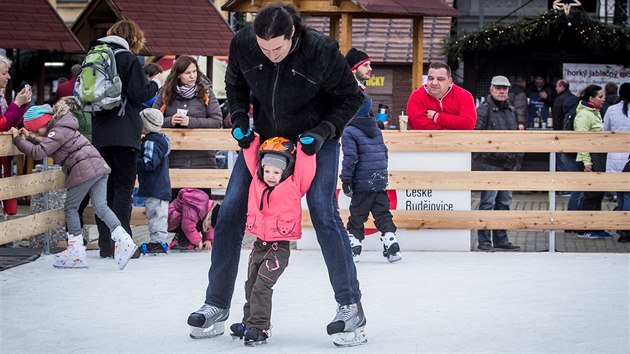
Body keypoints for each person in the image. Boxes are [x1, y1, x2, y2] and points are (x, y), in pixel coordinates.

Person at [186, 3, 366, 347]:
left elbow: (351, 97)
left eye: (278, 49)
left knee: (323, 210)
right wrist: (239, 120)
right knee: (232, 208)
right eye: (264, 49)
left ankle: (349, 305)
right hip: (268, 142)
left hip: (316, 140)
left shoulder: (321, 51)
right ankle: (216, 303)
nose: (271, 56)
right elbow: (235, 82)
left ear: (292, 34)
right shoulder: (243, 44)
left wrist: (326, 130)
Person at [10, 98, 137, 269]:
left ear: (44, 122)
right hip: (99, 166)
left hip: (84, 170)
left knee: (71, 208)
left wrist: (18, 140)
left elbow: (39, 152)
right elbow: (47, 144)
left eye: (37, 129)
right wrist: (31, 138)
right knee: (101, 207)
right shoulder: (62, 127)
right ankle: (124, 239)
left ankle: (76, 251)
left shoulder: (56, 132)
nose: (38, 133)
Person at [228, 135, 316, 346]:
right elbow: (251, 157)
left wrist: (306, 147)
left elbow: (306, 166)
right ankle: (248, 322)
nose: (270, 176)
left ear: (285, 171)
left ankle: (260, 327)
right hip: (259, 245)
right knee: (250, 285)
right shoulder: (257, 181)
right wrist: (250, 139)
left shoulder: (295, 184)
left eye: (276, 172)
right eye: (267, 171)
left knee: (262, 287)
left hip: (278, 249)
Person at [90, 20, 164, 259]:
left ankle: (105, 245)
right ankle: (123, 244)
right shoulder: (129, 59)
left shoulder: (98, 57)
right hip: (124, 135)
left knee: (105, 191)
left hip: (100, 135)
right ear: (134, 39)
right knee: (123, 190)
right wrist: (155, 84)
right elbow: (139, 94)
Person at [342, 48, 401, 263]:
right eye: (366, 65)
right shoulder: (350, 93)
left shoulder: (353, 124)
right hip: (378, 176)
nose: (370, 68)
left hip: (363, 179)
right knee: (382, 212)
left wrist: (346, 179)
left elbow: (350, 156)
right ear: (354, 68)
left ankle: (354, 247)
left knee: (357, 213)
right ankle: (391, 243)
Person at [153, 55, 222, 200]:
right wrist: (170, 121)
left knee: (200, 204)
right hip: (174, 159)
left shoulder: (206, 91)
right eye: (187, 73)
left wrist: (191, 121)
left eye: (194, 71)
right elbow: (152, 119)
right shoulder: (166, 92)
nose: (192, 76)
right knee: (175, 205)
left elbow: (216, 121)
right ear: (178, 75)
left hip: (202, 160)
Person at [474, 76, 522, 251]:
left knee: (504, 204)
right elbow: (476, 135)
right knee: (488, 203)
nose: (502, 91)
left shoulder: (511, 110)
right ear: (491, 89)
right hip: (491, 163)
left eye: (505, 88)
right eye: (498, 88)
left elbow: (516, 136)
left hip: (509, 164)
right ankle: (484, 242)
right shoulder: (484, 110)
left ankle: (501, 240)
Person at [573, 84, 612, 239]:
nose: (604, 99)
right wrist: (586, 162)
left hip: (599, 156)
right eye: (600, 97)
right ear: (591, 98)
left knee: (598, 193)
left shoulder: (595, 112)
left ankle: (596, 225)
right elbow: (581, 141)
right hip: (590, 158)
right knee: (590, 194)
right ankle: (584, 228)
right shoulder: (584, 115)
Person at [136, 108, 171, 254]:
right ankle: (158, 240)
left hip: (155, 185)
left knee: (156, 213)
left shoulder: (150, 142)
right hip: (160, 185)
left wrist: (135, 161)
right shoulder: (161, 140)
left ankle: (158, 241)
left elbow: (148, 163)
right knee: (158, 213)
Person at [0, 55, 31, 217]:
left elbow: (10, 123)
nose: (9, 77)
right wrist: (16, 104)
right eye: (5, 73)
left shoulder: (1, 97)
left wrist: (22, 104)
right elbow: (2, 124)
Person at [406, 61, 476, 130]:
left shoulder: (464, 96)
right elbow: (418, 126)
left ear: (449, 81)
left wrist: (436, 117)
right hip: (426, 141)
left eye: (440, 79)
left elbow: (468, 124)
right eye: (430, 78)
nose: (434, 83)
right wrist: (451, 130)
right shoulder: (417, 96)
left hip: (459, 141)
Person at [603, 83, 630, 242]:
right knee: (628, 194)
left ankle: (622, 227)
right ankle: (626, 229)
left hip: (613, 157)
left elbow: (604, 131)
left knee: (620, 193)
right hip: (629, 159)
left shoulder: (611, 110)